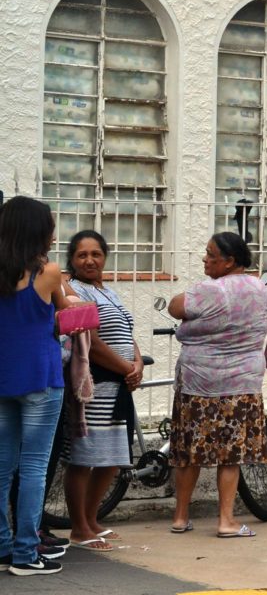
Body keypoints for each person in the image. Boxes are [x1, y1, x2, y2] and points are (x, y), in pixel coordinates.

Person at [167, 232, 267, 539]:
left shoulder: (209, 290)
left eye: (211, 255)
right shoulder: (259, 289)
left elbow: (175, 309)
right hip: (242, 383)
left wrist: (188, 330)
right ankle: (226, 520)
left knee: (188, 451)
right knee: (231, 454)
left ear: (229, 262)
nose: (205, 259)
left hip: (199, 382)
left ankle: (180, 517)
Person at [0, 196, 73, 575]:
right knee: (33, 467)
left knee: (1, 466)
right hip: (41, 378)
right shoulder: (48, 271)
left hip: (3, 376)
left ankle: (2, 547)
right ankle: (27, 553)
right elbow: (67, 309)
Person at [64, 231, 144, 551]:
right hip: (95, 384)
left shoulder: (107, 291)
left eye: (96, 254)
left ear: (105, 257)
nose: (89, 260)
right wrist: (127, 369)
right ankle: (79, 528)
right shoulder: (73, 290)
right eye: (82, 255)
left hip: (119, 385)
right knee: (84, 458)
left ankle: (92, 518)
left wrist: (136, 362)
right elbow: (91, 343)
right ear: (72, 259)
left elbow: (125, 330)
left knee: (111, 459)